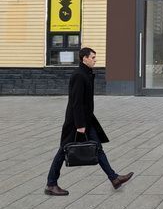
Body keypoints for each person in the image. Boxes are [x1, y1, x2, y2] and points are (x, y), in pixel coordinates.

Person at [45, 48, 133, 196]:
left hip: (86, 119)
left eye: (95, 57)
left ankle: (114, 178)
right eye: (93, 57)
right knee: (63, 151)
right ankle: (51, 184)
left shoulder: (86, 73)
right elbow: (76, 102)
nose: (95, 60)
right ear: (84, 58)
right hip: (76, 121)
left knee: (97, 148)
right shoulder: (79, 75)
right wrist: (79, 125)